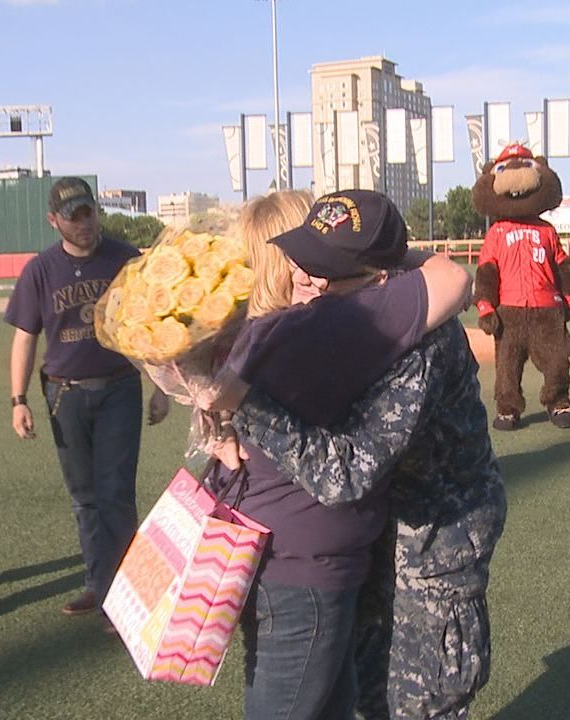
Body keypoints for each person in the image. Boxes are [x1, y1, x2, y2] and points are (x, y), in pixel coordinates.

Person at [217, 190, 505, 719]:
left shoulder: (420, 341)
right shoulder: (359, 318)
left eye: (326, 273)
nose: (306, 278)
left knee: (420, 706)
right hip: (381, 538)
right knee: (368, 698)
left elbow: (346, 473)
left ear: (378, 283)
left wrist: (247, 405)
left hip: (434, 545)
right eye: (304, 259)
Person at [4, 177, 168, 618]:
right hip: (64, 395)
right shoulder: (40, 270)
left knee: (116, 494)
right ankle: (100, 585)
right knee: (84, 497)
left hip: (118, 388)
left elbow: (154, 325)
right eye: (72, 216)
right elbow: (24, 338)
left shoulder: (125, 259)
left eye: (88, 212)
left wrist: (160, 387)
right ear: (53, 220)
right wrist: (18, 399)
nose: (83, 223)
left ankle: (126, 596)